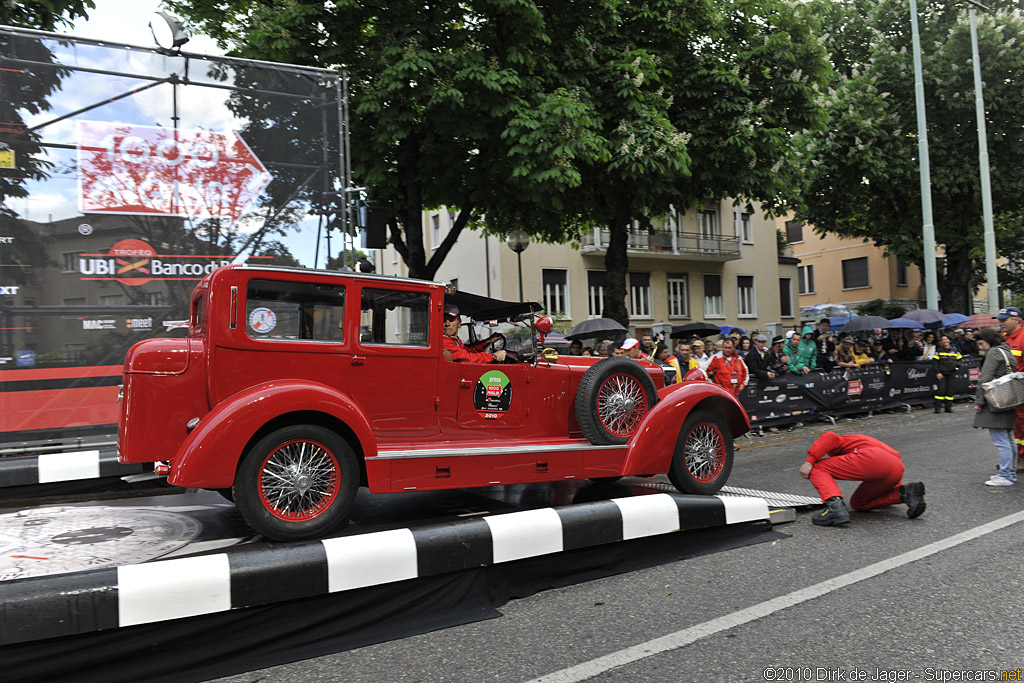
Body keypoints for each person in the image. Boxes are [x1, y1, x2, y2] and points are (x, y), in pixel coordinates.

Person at [799, 430, 926, 526]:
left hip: (872, 458)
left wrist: (810, 461)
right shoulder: (861, 440)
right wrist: (895, 486)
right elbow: (886, 462)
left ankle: (834, 508)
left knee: (817, 467)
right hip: (896, 467)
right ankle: (903, 493)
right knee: (858, 503)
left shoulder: (843, 440)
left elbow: (829, 436)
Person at [974, 328, 1018, 486]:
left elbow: (984, 378)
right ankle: (1010, 472)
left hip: (994, 400)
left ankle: (1005, 475)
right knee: (1009, 438)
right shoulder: (1006, 351)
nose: (980, 347)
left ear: (988, 340)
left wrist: (979, 401)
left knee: (1001, 440)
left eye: (981, 343)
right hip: (1009, 397)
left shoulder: (993, 353)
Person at [997, 307, 1024, 464]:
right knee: (1016, 425)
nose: (1001, 323)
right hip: (1012, 390)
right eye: (999, 320)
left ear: (1016, 320)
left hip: (1020, 388)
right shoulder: (1007, 338)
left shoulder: (1022, 337)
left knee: (1021, 424)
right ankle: (1018, 457)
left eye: (1004, 320)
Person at [442, 303, 506, 363]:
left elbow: (469, 351)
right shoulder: (443, 341)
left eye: (451, 320)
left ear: (459, 323)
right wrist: (494, 356)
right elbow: (467, 358)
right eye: (444, 320)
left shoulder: (455, 340)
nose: (447, 324)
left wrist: (488, 341)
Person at [932, 334, 962, 414]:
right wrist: (938, 372)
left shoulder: (955, 350)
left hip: (951, 373)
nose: (944, 341)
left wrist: (956, 368)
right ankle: (937, 408)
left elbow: (959, 361)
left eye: (946, 339)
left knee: (950, 391)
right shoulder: (939, 350)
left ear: (949, 340)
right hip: (942, 373)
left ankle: (948, 408)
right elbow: (935, 363)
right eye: (943, 339)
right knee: (940, 391)